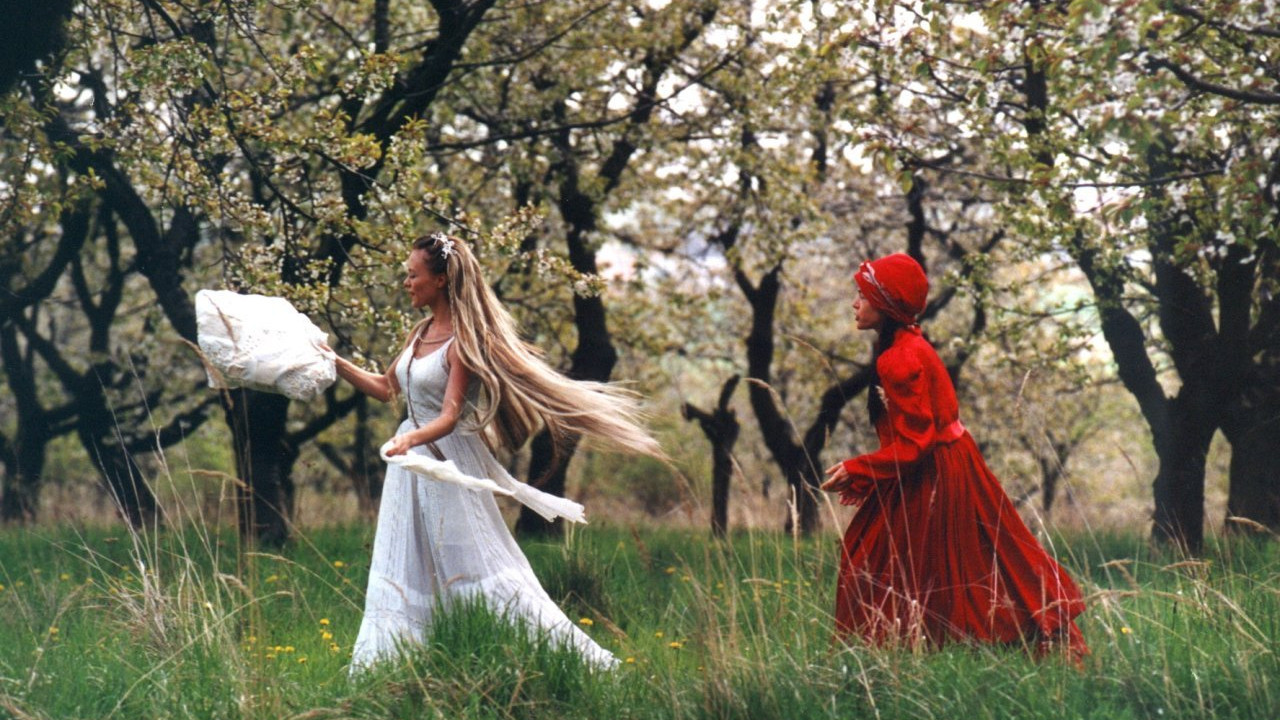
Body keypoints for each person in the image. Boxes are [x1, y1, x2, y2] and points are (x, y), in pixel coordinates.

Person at [331, 231, 663, 672]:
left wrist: (410, 439)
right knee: (408, 558)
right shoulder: (420, 332)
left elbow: (449, 416)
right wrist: (333, 360)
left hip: (445, 460)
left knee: (468, 559)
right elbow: (384, 387)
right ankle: (404, 661)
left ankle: (525, 652)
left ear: (442, 279)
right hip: (410, 462)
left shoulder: (462, 343)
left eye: (413, 275)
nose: (406, 283)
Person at [820, 253, 1088, 661]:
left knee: (876, 561)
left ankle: (888, 654)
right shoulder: (910, 345)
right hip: (952, 463)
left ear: (886, 304)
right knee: (970, 559)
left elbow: (915, 442)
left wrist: (858, 469)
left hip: (932, 471)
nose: (855, 303)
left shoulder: (898, 358)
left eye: (863, 295)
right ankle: (931, 648)